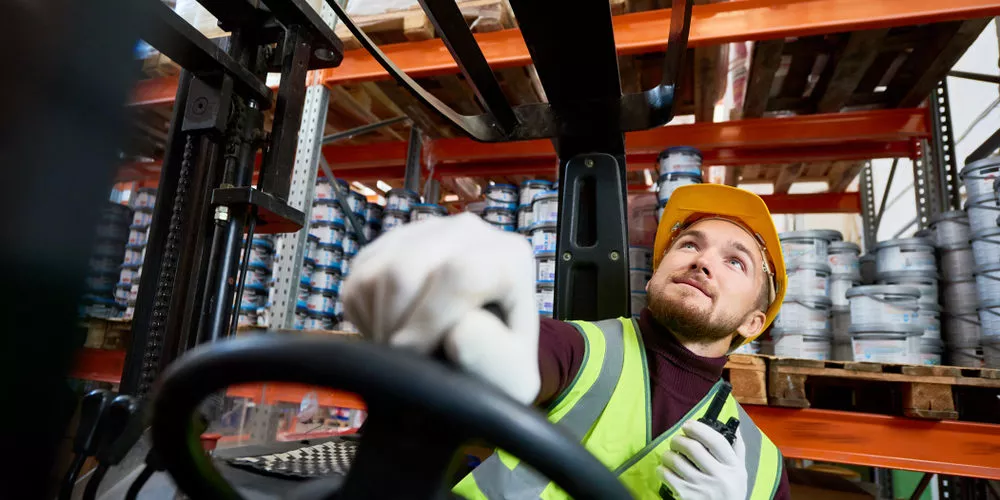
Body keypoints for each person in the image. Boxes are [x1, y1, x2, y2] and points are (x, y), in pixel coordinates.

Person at [343, 184, 790, 499]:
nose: (703, 261)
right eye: (690, 244)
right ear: (655, 273)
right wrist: (459, 323)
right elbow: (511, 358)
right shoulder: (581, 349)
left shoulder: (761, 468)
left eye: (736, 262)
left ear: (753, 323)